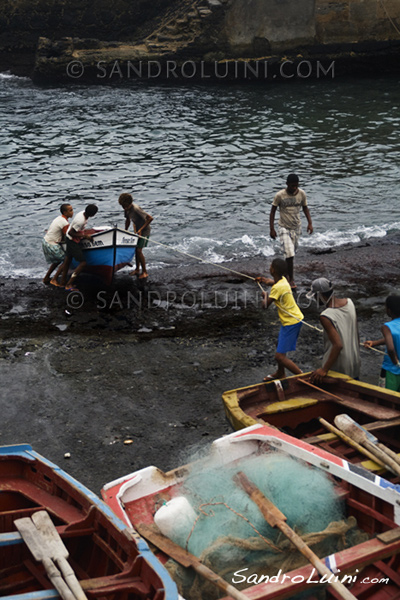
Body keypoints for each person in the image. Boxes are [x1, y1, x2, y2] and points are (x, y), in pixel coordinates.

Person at [256, 257, 304, 381]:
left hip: (291, 322)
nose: (269, 268)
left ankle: (303, 376)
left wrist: (265, 296)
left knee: (280, 357)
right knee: (279, 345)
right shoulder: (283, 280)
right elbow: (273, 283)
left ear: (273, 270)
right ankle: (280, 373)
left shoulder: (277, 288)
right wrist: (264, 281)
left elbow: (265, 306)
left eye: (271, 266)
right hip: (293, 319)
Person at [307, 277, 360, 383]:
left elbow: (338, 345)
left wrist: (324, 369)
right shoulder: (350, 303)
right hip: (354, 362)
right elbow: (356, 333)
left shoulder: (326, 316)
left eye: (316, 296)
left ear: (320, 296)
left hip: (339, 366)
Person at [269, 173, 313, 289]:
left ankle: (284, 273)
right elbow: (273, 211)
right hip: (283, 227)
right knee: (289, 253)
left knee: (290, 254)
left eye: (296, 186)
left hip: (296, 227)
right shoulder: (280, 195)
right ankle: (290, 279)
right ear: (287, 184)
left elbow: (305, 208)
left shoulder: (302, 194)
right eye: (292, 186)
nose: (294, 188)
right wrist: (272, 229)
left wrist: (310, 223)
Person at [364, 295, 400, 391]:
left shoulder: (387, 327)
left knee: (386, 397)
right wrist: (374, 343)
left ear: (389, 310)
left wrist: (396, 363)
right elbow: (393, 339)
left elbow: (391, 348)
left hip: (390, 371)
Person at [118, 193, 153, 279]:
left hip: (144, 231)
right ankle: (137, 269)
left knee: (139, 251)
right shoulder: (126, 209)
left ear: (129, 203)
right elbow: (127, 219)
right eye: (122, 206)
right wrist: (125, 230)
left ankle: (145, 272)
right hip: (137, 230)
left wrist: (141, 229)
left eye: (125, 206)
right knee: (136, 250)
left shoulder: (136, 209)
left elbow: (150, 218)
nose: (124, 208)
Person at [63, 204, 98, 290]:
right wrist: (85, 236)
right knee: (83, 263)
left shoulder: (83, 213)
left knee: (68, 259)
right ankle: (69, 284)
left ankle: (62, 281)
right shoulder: (80, 220)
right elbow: (71, 232)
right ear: (93, 215)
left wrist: (83, 233)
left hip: (70, 239)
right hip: (71, 241)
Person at [42, 203, 73, 286]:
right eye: (70, 210)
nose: (72, 212)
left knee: (57, 261)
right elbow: (68, 236)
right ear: (65, 212)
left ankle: (46, 277)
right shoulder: (64, 223)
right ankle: (54, 279)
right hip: (52, 244)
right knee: (66, 260)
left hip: (46, 241)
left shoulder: (59, 218)